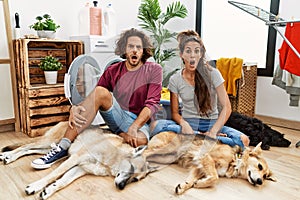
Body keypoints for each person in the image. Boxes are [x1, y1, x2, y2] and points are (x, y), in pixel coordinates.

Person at [31, 28, 163, 169]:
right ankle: (62, 148)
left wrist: (134, 127)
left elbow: (151, 104)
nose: (135, 50)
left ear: (144, 51)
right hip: (117, 116)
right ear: (124, 49)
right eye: (131, 46)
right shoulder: (113, 70)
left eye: (139, 47)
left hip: (140, 120)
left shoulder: (154, 70)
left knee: (141, 141)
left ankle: (119, 134)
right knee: (101, 91)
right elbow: (95, 96)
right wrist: (74, 108)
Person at [151, 30, 249, 148]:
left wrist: (213, 131)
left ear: (201, 53)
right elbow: (175, 113)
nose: (192, 55)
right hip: (188, 125)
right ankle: (203, 138)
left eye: (196, 51)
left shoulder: (213, 74)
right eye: (188, 51)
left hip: (212, 125)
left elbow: (227, 107)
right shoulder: (175, 79)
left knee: (244, 140)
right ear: (181, 54)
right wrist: (184, 124)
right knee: (155, 126)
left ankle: (197, 138)